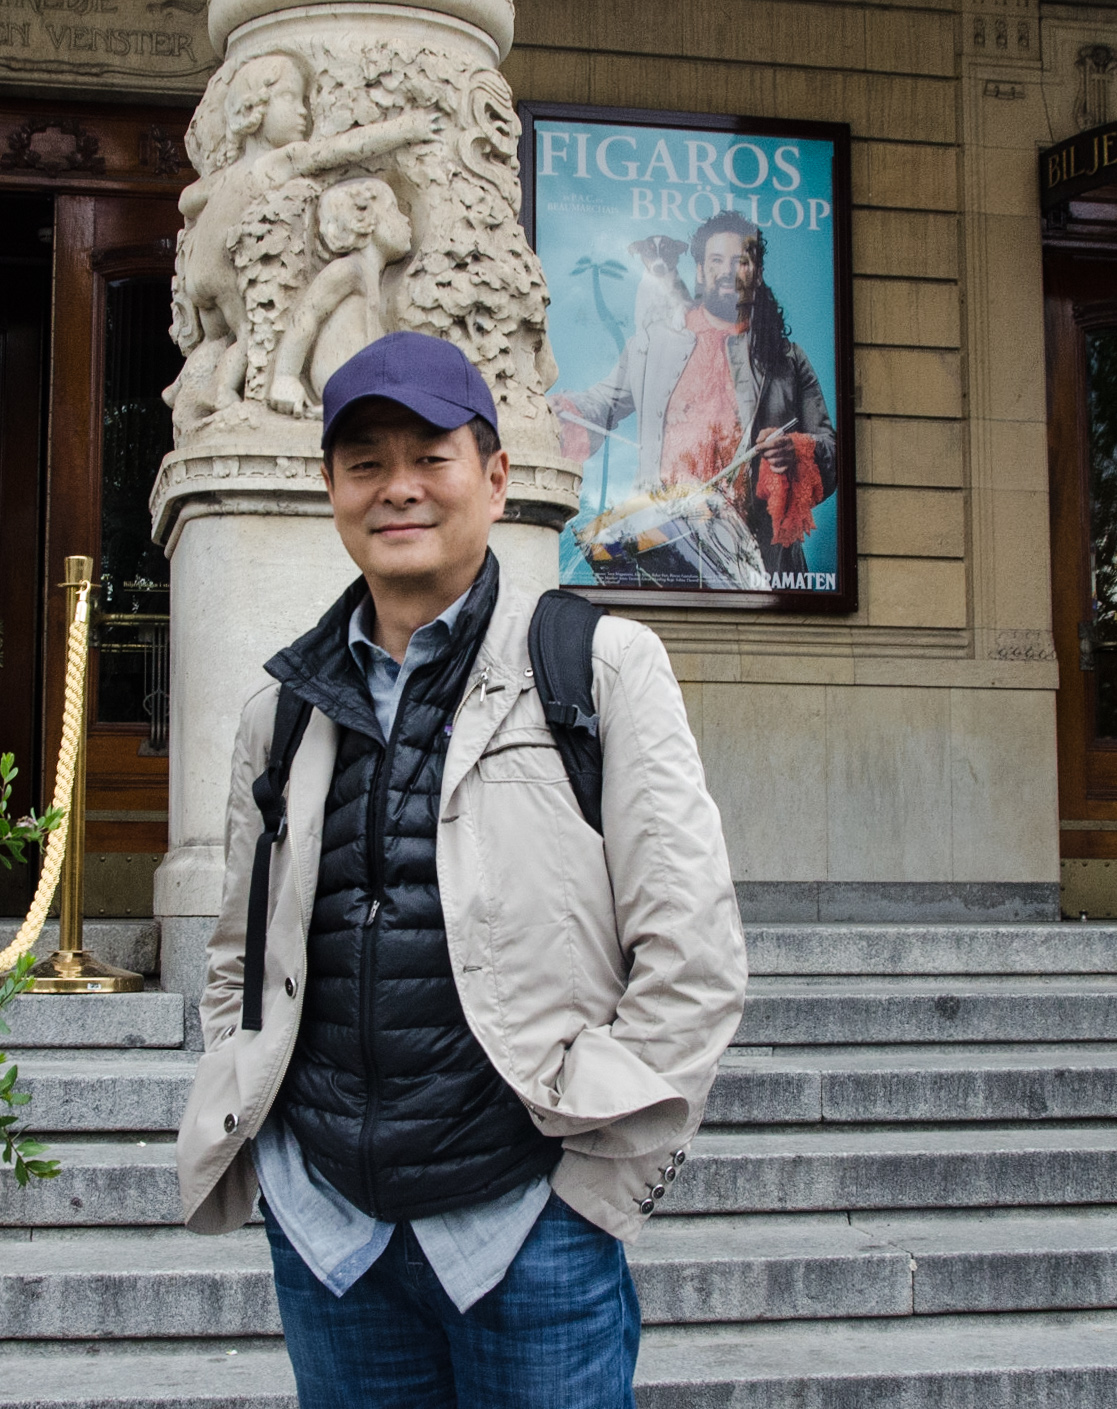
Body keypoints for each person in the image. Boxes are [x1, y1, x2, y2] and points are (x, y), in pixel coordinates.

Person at [175, 330, 748, 1407]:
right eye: (365, 463)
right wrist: (274, 1147)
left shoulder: (598, 668)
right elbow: (236, 960)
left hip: (530, 1228)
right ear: (333, 491)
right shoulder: (280, 710)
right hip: (332, 1238)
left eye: (429, 455)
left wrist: (594, 1189)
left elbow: (694, 959)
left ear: (493, 477)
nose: (398, 487)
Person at [556, 211, 837, 581]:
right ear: (700, 272)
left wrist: (795, 449)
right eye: (717, 260)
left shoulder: (788, 360)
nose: (728, 271)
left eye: (741, 260)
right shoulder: (650, 346)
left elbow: (831, 452)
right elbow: (600, 407)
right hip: (664, 558)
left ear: (757, 272)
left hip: (760, 568)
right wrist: (558, 413)